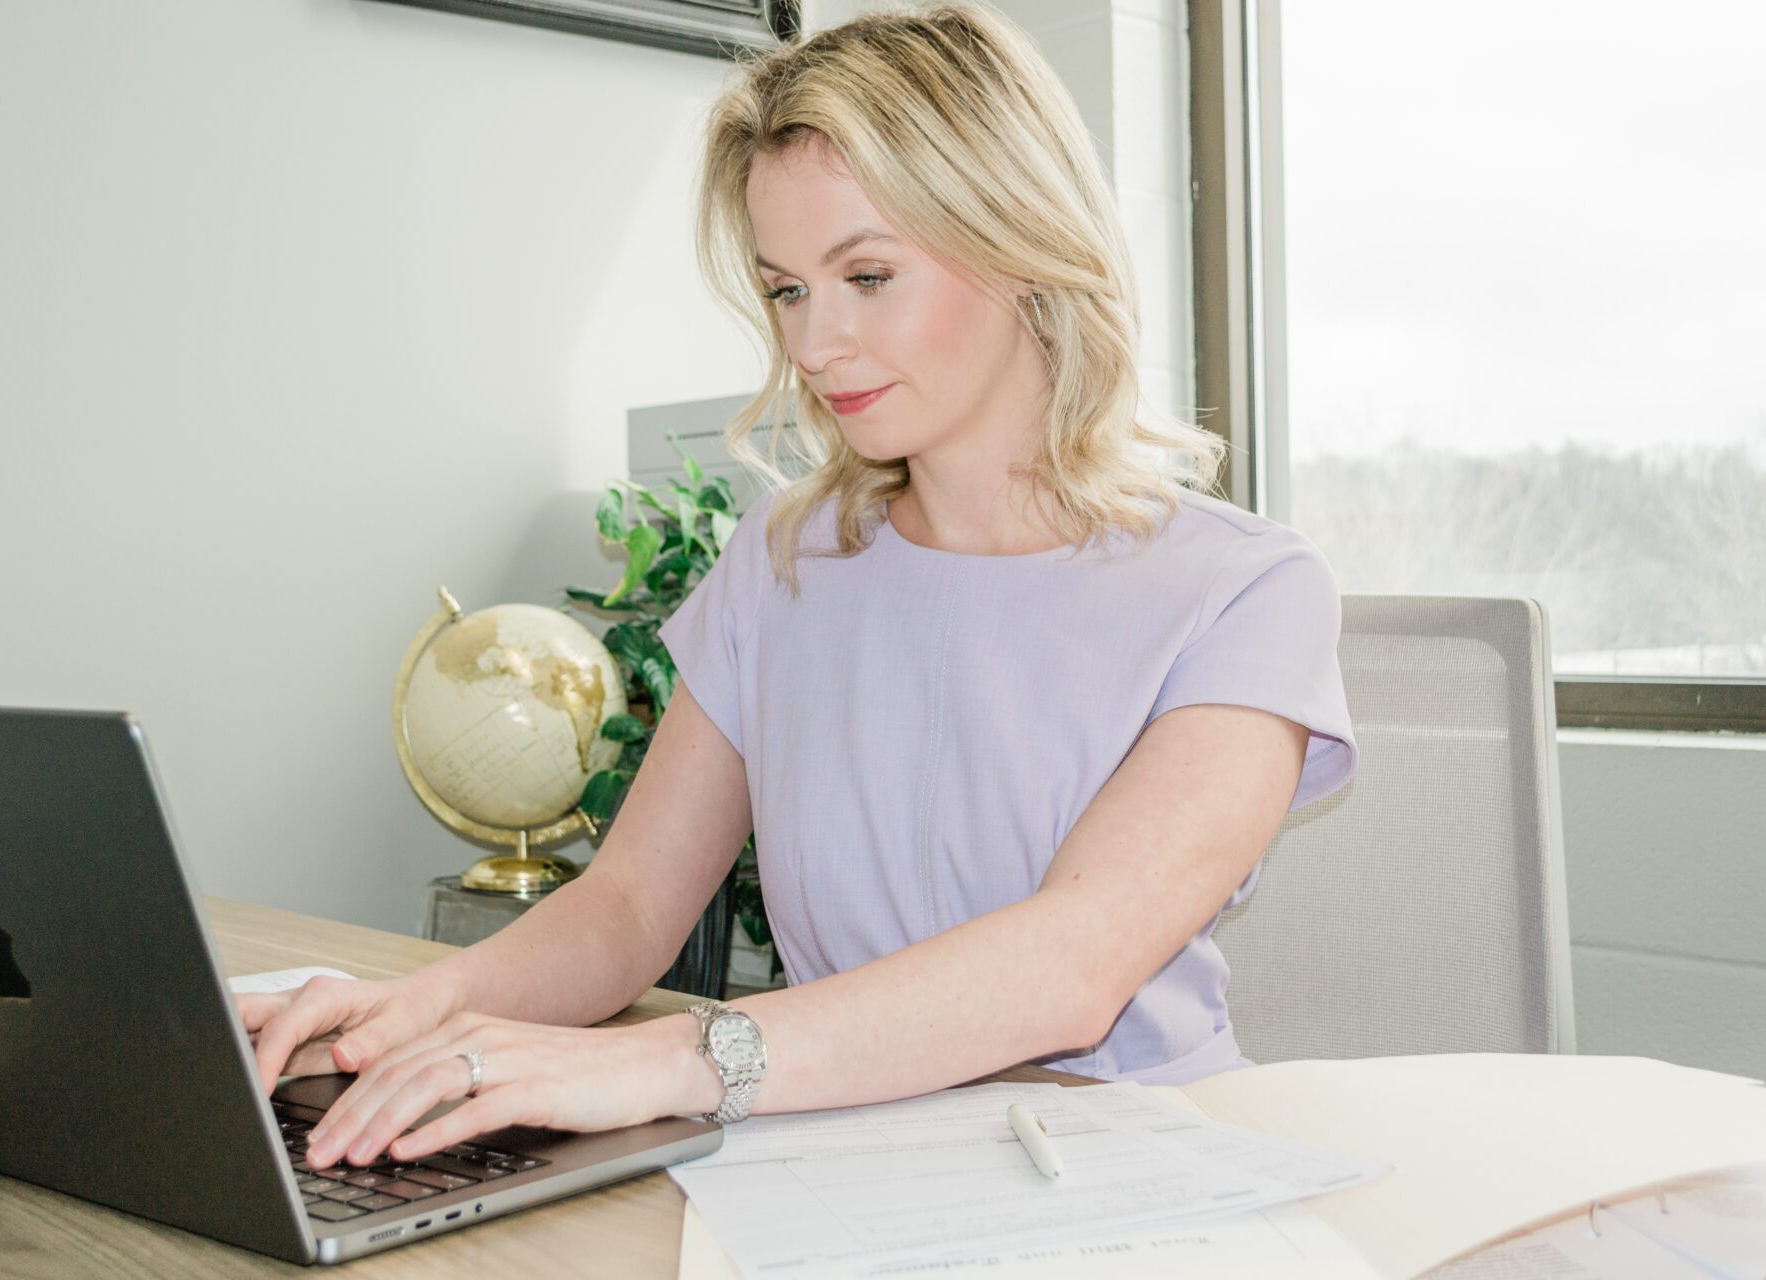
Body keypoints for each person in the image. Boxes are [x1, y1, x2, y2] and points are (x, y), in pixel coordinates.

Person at [239, 0, 1358, 1176]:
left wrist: (672, 1059)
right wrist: (414, 1009)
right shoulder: (781, 564)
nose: (816, 346)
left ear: (1020, 244)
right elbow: (625, 908)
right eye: (786, 290)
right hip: (841, 1165)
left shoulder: (1247, 592)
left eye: (867, 274)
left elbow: (1070, 970)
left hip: (1141, 1172)